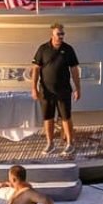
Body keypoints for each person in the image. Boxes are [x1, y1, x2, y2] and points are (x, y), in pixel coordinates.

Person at [30, 22, 81, 155]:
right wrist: (34, 88)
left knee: (66, 117)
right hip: (46, 91)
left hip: (63, 90)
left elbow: (74, 70)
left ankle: (70, 143)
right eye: (58, 34)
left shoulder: (68, 49)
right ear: (52, 34)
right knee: (48, 117)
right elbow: (35, 69)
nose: (61, 36)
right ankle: (50, 143)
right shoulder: (43, 49)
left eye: (63, 34)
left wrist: (78, 88)